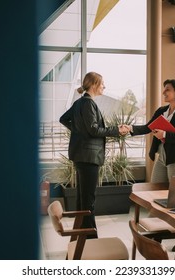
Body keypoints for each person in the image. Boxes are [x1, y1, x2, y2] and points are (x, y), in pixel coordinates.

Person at [126, 79, 175, 251]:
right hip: (163, 156)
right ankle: (156, 233)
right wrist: (130, 128)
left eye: (167, 90)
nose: (164, 93)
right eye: (164, 90)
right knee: (154, 194)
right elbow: (148, 127)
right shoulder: (162, 111)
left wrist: (166, 134)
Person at [59, 72, 129, 239]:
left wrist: (78, 132)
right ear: (94, 85)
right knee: (88, 200)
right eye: (102, 83)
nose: (104, 86)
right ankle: (91, 239)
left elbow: (64, 119)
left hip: (82, 156)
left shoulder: (79, 102)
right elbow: (95, 130)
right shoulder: (88, 103)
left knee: (83, 199)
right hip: (89, 157)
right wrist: (117, 130)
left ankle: (82, 236)